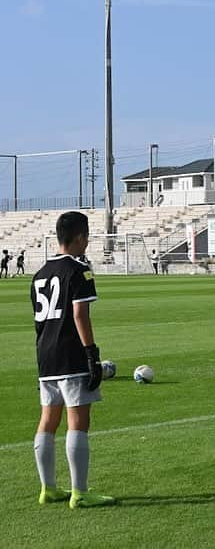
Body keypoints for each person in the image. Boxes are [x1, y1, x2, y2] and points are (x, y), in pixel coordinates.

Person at [30, 211, 115, 508]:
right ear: (80, 237)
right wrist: (91, 352)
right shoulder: (79, 271)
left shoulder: (40, 273)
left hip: (45, 355)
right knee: (78, 421)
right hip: (71, 354)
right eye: (87, 236)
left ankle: (48, 488)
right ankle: (80, 492)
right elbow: (80, 314)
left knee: (48, 420)